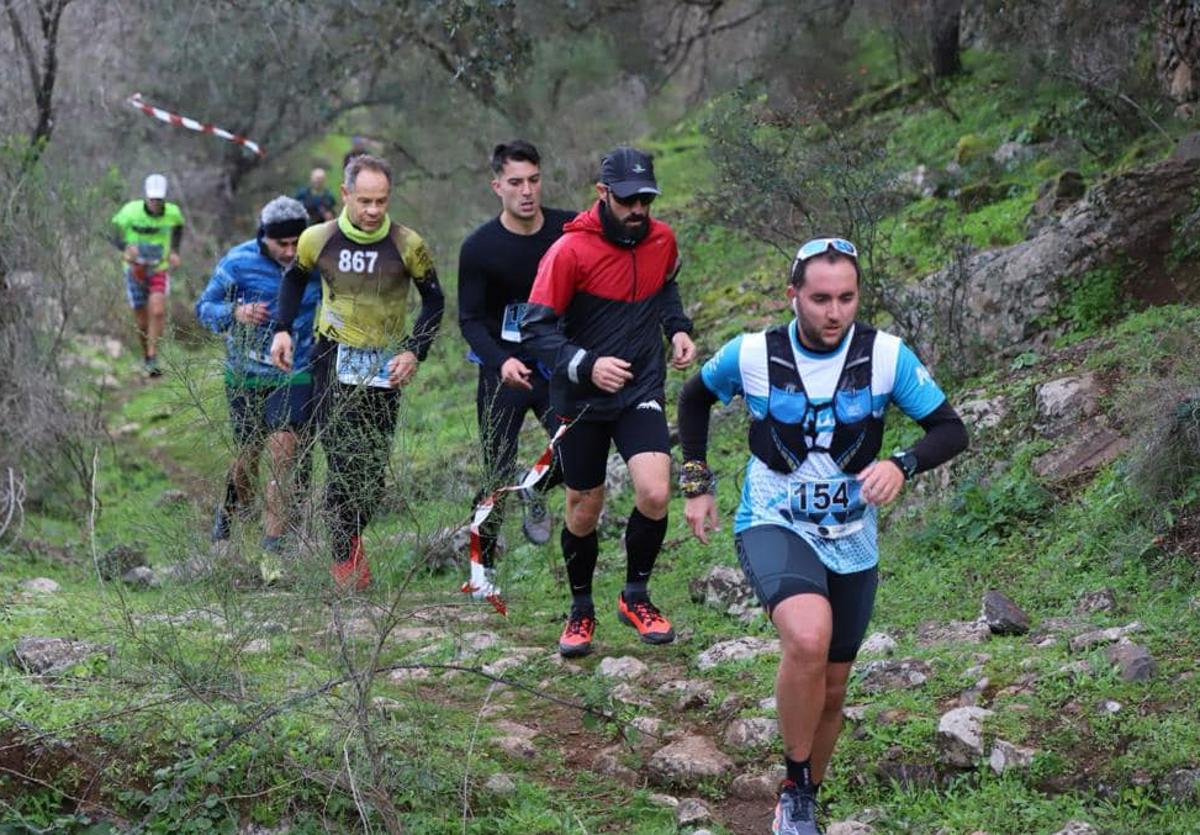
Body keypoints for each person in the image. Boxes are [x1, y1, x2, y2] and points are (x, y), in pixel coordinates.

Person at [676, 237, 968, 834]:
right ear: (793, 297)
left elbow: (949, 429)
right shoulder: (753, 353)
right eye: (819, 299)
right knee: (808, 639)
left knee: (833, 688)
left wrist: (902, 463)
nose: (834, 313)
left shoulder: (885, 357)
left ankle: (804, 792)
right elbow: (693, 397)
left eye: (846, 298)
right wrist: (697, 481)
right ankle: (794, 789)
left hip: (852, 535)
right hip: (772, 518)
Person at [524, 146, 696, 657]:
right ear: (603, 194)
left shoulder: (662, 238)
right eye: (628, 200)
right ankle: (580, 609)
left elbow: (666, 288)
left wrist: (677, 328)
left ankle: (636, 596)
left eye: (645, 199)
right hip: (580, 398)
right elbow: (535, 329)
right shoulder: (568, 252)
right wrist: (586, 364)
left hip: (640, 387)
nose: (638, 210)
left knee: (655, 493)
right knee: (584, 509)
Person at [270, 154, 444, 591]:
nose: (372, 211)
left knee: (371, 469)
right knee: (344, 456)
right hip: (332, 357)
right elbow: (293, 280)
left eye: (381, 201)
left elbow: (435, 301)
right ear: (345, 194)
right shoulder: (318, 238)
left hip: (384, 363)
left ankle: (351, 536)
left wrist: (414, 352)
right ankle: (344, 558)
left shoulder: (408, 244)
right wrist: (283, 330)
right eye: (364, 200)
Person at [457, 140, 575, 600]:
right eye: (515, 183)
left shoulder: (569, 229)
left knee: (576, 449)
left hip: (555, 367)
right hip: (503, 370)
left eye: (533, 180)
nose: (527, 191)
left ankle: (536, 487)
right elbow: (468, 319)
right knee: (496, 473)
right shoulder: (480, 248)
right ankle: (481, 572)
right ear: (497, 186)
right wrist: (500, 360)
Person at [195, 196, 320, 584]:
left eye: (294, 243)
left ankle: (272, 550)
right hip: (245, 375)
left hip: (295, 372)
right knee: (247, 456)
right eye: (280, 244)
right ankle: (228, 515)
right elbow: (204, 308)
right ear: (263, 238)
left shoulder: (316, 261)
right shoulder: (238, 262)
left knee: (284, 451)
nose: (288, 251)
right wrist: (235, 313)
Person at [110, 173, 185, 376]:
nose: (155, 204)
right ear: (146, 197)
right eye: (152, 199)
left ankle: (152, 358)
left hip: (158, 267)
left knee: (158, 310)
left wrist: (175, 251)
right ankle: (146, 355)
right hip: (134, 269)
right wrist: (125, 246)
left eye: (159, 200)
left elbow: (178, 227)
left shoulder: (172, 213)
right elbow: (111, 230)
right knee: (141, 320)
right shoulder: (130, 212)